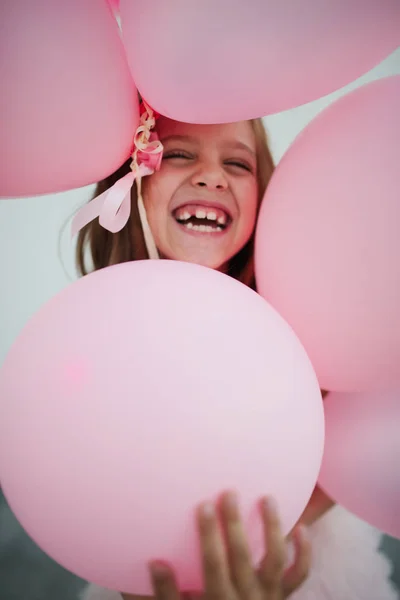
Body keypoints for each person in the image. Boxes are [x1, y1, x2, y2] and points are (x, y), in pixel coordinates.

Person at [75, 106, 397, 600]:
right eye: (178, 154)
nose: (211, 176)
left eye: (239, 164)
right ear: (130, 182)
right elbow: (101, 495)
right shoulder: (96, 341)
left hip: (301, 558)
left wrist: (266, 538)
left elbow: (353, 435)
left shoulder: (304, 309)